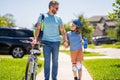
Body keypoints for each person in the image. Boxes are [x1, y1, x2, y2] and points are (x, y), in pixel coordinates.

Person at [34, 0, 68, 80]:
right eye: (56, 8)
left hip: (56, 42)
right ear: (51, 7)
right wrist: (35, 39)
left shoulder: (58, 18)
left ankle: (54, 78)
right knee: (47, 61)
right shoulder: (43, 16)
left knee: (55, 61)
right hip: (46, 42)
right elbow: (38, 29)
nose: (57, 10)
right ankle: (46, 78)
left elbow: (63, 30)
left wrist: (65, 40)